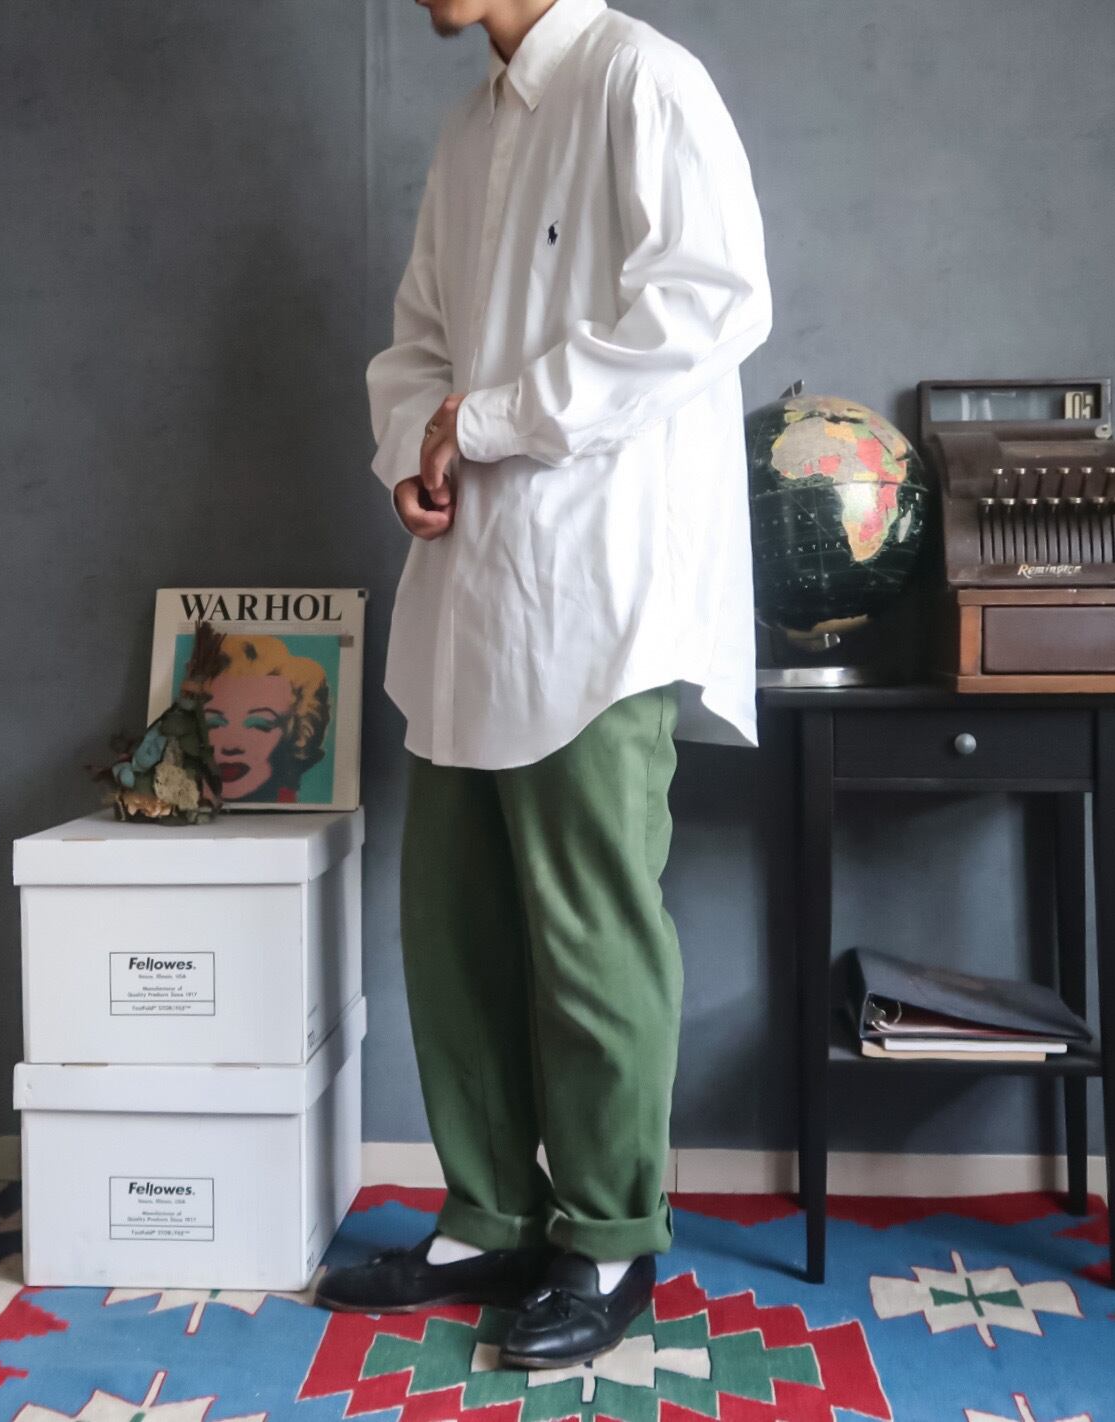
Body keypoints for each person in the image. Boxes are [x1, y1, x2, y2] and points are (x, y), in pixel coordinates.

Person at [314, 0, 772, 1370]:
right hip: (472, 589)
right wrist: (417, 441)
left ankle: (610, 1237)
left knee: (590, 929)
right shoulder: (470, 132)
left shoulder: (644, 82)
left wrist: (491, 418)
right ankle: (491, 1217)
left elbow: (713, 299)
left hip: (600, 597)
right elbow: (419, 342)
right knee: (452, 927)